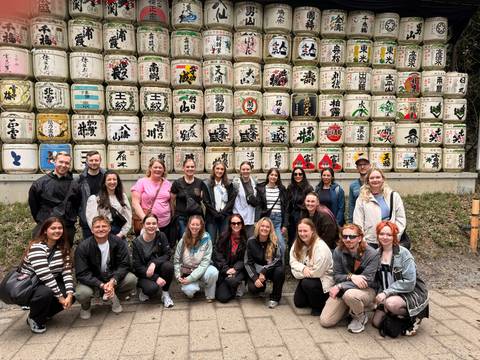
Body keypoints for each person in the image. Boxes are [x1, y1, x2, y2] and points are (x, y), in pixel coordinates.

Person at [320, 224, 379, 333]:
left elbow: (367, 281)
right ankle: (350, 307)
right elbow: (337, 276)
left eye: (352, 236)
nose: (348, 239)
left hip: (366, 289)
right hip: (344, 288)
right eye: (345, 236)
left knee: (350, 295)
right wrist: (351, 276)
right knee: (326, 321)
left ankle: (360, 316)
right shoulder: (338, 251)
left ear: (360, 238)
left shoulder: (372, 254)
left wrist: (341, 285)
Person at [372, 221, 429, 336]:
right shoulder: (376, 254)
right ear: (377, 235)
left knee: (391, 304)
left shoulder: (404, 254)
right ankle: (397, 318)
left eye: (389, 235)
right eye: (382, 234)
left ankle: (415, 317)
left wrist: (386, 293)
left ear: (394, 236)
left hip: (409, 292)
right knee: (376, 323)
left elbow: (410, 282)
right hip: (389, 293)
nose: (385, 237)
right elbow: (377, 280)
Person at [75, 216, 137, 319]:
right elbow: (82, 273)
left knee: (131, 279)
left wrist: (113, 280)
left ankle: (114, 295)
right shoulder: (83, 247)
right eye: (97, 227)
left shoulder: (118, 242)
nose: (100, 229)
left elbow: (124, 264)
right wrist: (100, 284)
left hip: (111, 277)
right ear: (92, 230)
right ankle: (85, 307)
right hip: (92, 281)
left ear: (109, 228)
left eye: (104, 226)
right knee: (81, 293)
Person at [19, 217, 75, 333]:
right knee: (46, 292)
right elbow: (46, 276)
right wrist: (60, 298)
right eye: (53, 228)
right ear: (45, 230)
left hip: (47, 283)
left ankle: (45, 314)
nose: (57, 231)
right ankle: (34, 318)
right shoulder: (37, 247)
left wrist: (69, 294)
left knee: (72, 293)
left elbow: (66, 271)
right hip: (30, 286)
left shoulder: (63, 247)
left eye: (60, 228)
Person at [28, 152, 81, 245]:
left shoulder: (75, 185)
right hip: (45, 225)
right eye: (61, 162)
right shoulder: (40, 183)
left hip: (66, 227)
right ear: (54, 162)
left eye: (67, 163)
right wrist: (43, 220)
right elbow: (34, 205)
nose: (63, 165)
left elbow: (77, 204)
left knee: (64, 255)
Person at [290, 218, 334, 316]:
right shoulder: (297, 243)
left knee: (307, 283)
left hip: (323, 281)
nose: (302, 234)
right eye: (300, 231)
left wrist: (299, 271)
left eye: (305, 231)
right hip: (307, 277)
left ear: (313, 231)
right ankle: (312, 298)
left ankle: (320, 305)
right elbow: (292, 263)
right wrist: (303, 268)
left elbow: (317, 273)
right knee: (299, 303)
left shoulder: (321, 247)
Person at [353, 168, 406, 247]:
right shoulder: (362, 198)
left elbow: (400, 218)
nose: (375, 180)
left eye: (378, 177)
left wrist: (395, 236)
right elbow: (358, 221)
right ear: (368, 180)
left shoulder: (393, 196)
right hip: (370, 241)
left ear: (383, 179)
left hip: (389, 239)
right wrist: (362, 239)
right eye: (372, 178)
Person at [132, 213, 174, 308]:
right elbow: (137, 267)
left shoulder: (161, 236)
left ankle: (165, 294)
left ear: (157, 225)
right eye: (148, 223)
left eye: (154, 223)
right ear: (143, 225)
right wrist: (156, 278)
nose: (151, 226)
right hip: (144, 274)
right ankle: (143, 290)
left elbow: (167, 254)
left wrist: (154, 263)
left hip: (157, 268)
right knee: (152, 289)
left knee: (168, 266)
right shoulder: (136, 243)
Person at [173, 215, 219, 301]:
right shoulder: (183, 239)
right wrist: (178, 276)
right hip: (187, 270)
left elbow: (205, 262)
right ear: (189, 225)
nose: (195, 227)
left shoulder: (207, 239)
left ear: (201, 226)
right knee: (189, 291)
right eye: (193, 224)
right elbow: (176, 260)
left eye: (197, 225)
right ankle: (193, 287)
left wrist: (191, 278)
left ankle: (210, 295)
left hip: (202, 268)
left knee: (213, 272)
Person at [244, 217, 285, 309]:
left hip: (270, 270)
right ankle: (262, 287)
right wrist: (255, 278)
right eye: (262, 226)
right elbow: (247, 263)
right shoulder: (251, 241)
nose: (264, 228)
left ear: (270, 229)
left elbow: (278, 259)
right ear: (258, 227)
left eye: (267, 227)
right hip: (257, 271)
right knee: (253, 289)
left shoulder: (275, 241)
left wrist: (264, 270)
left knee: (280, 271)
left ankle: (275, 298)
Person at [131, 158, 173, 241]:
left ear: (164, 170)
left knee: (162, 247)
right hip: (148, 223)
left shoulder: (168, 184)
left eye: (160, 168)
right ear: (150, 168)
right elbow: (135, 203)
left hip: (165, 222)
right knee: (147, 248)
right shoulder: (142, 182)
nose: (158, 170)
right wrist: (145, 220)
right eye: (155, 167)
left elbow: (171, 202)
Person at [86, 170, 132, 239]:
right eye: (109, 180)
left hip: (119, 234)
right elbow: (92, 221)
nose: (112, 182)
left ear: (118, 181)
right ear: (104, 182)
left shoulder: (123, 197)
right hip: (102, 235)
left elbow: (128, 217)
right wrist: (101, 234)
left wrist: (121, 234)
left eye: (114, 179)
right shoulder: (95, 199)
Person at [213, 214, 248, 303]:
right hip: (225, 270)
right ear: (229, 225)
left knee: (232, 281)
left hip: (239, 270)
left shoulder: (246, 239)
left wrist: (235, 269)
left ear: (242, 224)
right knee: (222, 298)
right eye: (233, 223)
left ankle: (238, 283)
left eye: (239, 223)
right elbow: (218, 255)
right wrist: (226, 269)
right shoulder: (223, 237)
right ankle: (232, 287)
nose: (236, 225)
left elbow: (245, 258)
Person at [202, 161, 237, 243]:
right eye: (217, 168)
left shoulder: (228, 185)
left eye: (222, 169)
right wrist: (215, 214)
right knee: (211, 240)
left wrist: (222, 213)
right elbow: (206, 201)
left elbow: (231, 201)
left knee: (224, 240)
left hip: (225, 217)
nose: (219, 171)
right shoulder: (207, 184)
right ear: (213, 170)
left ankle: (222, 256)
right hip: (211, 217)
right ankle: (212, 256)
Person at [255, 168, 288, 255]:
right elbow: (258, 206)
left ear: (278, 177)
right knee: (265, 244)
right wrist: (257, 220)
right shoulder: (261, 189)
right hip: (266, 219)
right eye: (272, 175)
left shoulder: (281, 189)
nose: (273, 177)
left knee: (282, 246)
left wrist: (284, 225)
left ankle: (281, 266)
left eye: (276, 175)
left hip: (278, 220)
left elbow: (286, 207)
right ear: (268, 176)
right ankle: (266, 266)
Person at [171, 158, 204, 241]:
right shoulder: (177, 183)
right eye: (187, 167)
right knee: (184, 239)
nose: (190, 169)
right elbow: (172, 201)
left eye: (192, 167)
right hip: (181, 217)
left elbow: (201, 199)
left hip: (195, 217)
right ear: (183, 168)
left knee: (196, 239)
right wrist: (174, 214)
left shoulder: (200, 183)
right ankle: (183, 254)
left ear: (195, 168)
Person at [78, 151, 106, 239]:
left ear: (100, 161)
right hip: (87, 219)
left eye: (96, 160)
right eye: (91, 160)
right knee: (89, 246)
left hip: (105, 218)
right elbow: (76, 200)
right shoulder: (80, 179)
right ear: (86, 162)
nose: (94, 162)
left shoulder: (107, 176)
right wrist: (81, 213)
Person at [286, 167, 313, 250]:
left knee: (303, 238)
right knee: (292, 240)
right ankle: (292, 259)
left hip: (303, 216)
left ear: (303, 175)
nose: (298, 176)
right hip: (292, 218)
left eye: (300, 174)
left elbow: (311, 204)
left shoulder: (308, 188)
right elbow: (288, 205)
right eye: (295, 174)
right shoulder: (290, 187)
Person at [232, 161, 258, 238]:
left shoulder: (255, 181)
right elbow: (232, 199)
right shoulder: (236, 183)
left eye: (247, 169)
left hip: (251, 215)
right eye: (243, 169)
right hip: (238, 215)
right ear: (240, 170)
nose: (245, 171)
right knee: (239, 239)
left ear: (251, 170)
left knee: (250, 239)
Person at [348, 155, 371, 222]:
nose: (362, 167)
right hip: (358, 219)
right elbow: (351, 205)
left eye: (365, 164)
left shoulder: (375, 183)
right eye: (360, 165)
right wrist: (351, 221)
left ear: (369, 166)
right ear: (357, 167)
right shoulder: (353, 185)